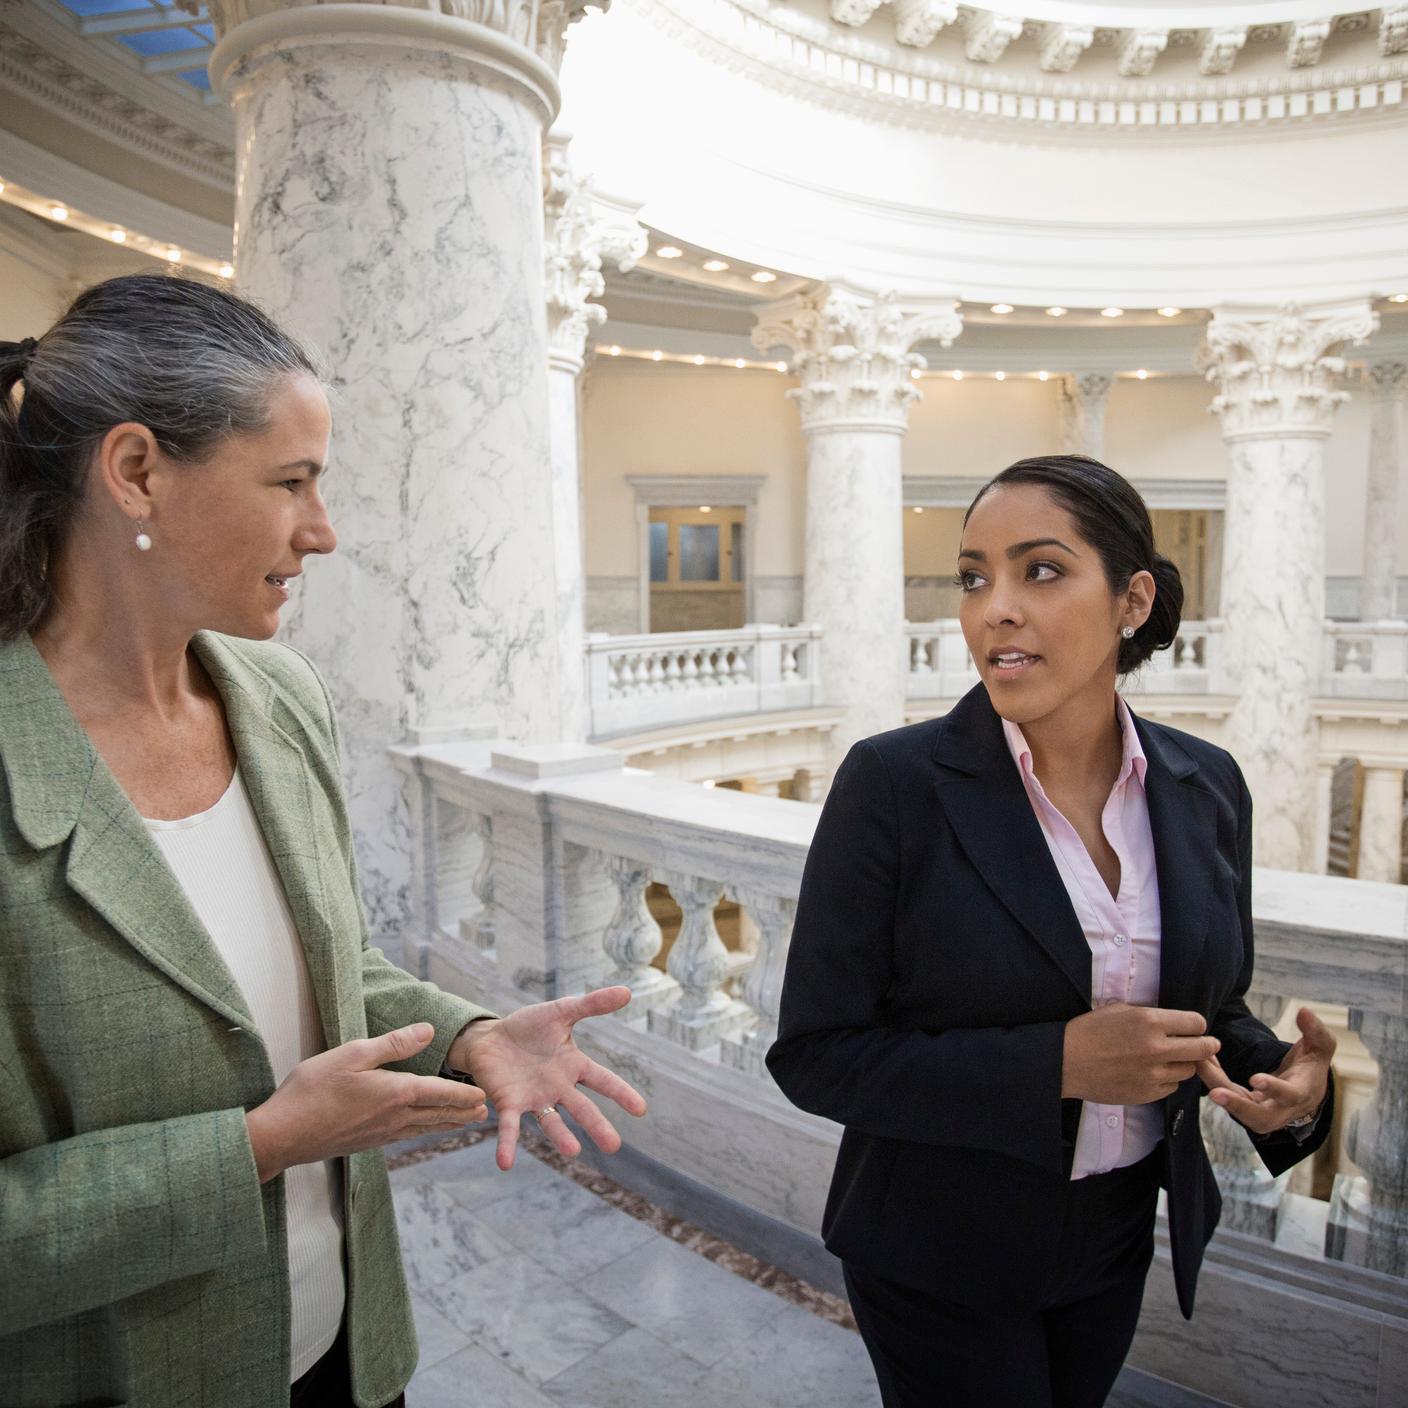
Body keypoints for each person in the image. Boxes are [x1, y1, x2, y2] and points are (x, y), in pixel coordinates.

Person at [0, 273, 647, 1408]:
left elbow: (319, 968)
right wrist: (257, 1144)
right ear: (137, 469)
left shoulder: (275, 691)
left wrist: (467, 1034)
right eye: (291, 481)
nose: (324, 529)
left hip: (345, 1353)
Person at [767, 454, 1336, 1408]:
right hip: (936, 1249)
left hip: (1116, 1235)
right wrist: (1059, 1066)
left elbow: (1202, 1005)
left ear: (1132, 599)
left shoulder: (1207, 786)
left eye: (1040, 570)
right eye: (973, 576)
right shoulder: (893, 786)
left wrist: (1282, 1083)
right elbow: (818, 1056)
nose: (995, 607)